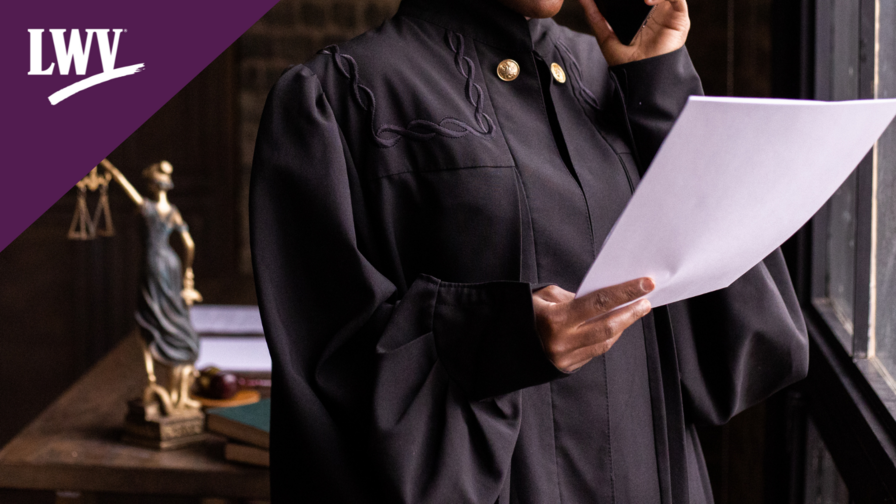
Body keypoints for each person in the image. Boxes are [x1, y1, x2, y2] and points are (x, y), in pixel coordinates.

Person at [249, 0, 809, 502]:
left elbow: (749, 340)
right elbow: (325, 376)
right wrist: (505, 338)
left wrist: (660, 88)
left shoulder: (618, 74)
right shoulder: (336, 97)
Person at [105, 159, 204, 413]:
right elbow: (189, 245)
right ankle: (173, 391)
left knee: (151, 314)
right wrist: (188, 273)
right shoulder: (172, 211)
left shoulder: (146, 208)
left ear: (151, 185)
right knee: (173, 313)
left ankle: (158, 379)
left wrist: (112, 170)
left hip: (152, 264)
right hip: (172, 264)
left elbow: (126, 187)